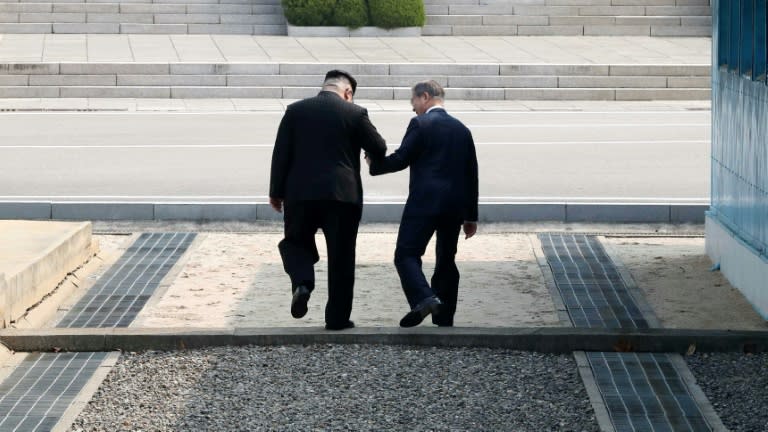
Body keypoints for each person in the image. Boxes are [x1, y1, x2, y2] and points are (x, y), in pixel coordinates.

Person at [269, 70, 387, 330]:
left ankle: (302, 282)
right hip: (342, 196)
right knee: (342, 257)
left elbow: (281, 153)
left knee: (294, 242)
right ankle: (337, 319)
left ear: (324, 87)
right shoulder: (355, 113)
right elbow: (379, 146)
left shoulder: (295, 111)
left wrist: (276, 192)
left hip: (300, 194)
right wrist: (368, 155)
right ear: (348, 93)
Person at [367, 80, 479, 328]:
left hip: (424, 202)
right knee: (446, 260)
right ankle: (444, 316)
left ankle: (424, 298)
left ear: (425, 97)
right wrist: (471, 216)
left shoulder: (421, 123)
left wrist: (375, 165)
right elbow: (472, 174)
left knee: (406, 254)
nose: (413, 108)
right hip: (454, 206)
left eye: (413, 102)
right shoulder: (462, 129)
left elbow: (402, 158)